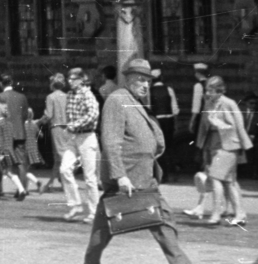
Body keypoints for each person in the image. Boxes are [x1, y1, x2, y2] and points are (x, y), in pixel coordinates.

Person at [83, 58, 194, 264]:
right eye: (141, 80)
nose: (145, 85)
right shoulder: (117, 100)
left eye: (148, 81)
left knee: (166, 230)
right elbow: (111, 141)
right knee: (99, 239)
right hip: (125, 184)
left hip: (146, 182)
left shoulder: (136, 102)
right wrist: (120, 176)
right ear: (128, 79)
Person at [195, 74, 250, 226]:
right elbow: (203, 127)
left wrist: (219, 123)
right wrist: (202, 146)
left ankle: (216, 213)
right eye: (207, 90)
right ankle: (240, 213)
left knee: (216, 178)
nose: (208, 93)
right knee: (229, 181)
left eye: (211, 90)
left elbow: (238, 126)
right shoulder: (208, 104)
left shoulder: (229, 104)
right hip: (213, 145)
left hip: (229, 146)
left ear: (220, 90)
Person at [62, 66, 102, 222]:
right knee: (64, 169)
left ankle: (94, 212)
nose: (70, 82)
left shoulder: (88, 94)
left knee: (90, 177)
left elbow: (93, 115)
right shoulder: (70, 94)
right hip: (74, 137)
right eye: (69, 79)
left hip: (87, 136)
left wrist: (74, 124)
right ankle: (75, 204)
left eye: (73, 79)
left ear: (80, 80)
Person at [43, 73, 80, 210]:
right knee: (61, 155)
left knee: (60, 155)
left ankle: (66, 183)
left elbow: (48, 114)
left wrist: (37, 122)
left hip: (57, 127)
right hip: (68, 127)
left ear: (52, 84)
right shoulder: (67, 96)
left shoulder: (51, 97)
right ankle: (51, 183)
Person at [0, 100, 28, 200]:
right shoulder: (9, 123)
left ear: (0, 111)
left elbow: (0, 139)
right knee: (9, 172)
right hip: (9, 150)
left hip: (0, 150)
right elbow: (10, 137)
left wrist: (0, 153)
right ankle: (22, 189)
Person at [149, 68, 179, 180]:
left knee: (157, 146)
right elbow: (175, 109)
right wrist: (175, 123)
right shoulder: (169, 89)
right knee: (169, 146)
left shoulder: (149, 91)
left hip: (156, 121)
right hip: (168, 120)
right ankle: (170, 172)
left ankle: (160, 174)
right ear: (161, 78)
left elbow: (148, 108)